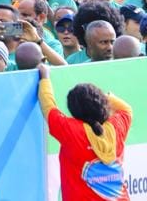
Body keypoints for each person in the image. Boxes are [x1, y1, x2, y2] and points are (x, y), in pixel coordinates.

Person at [38, 64, 132, 200]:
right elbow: (126, 109)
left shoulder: (70, 130)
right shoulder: (117, 126)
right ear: (102, 104)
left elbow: (48, 106)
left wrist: (45, 78)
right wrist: (102, 96)